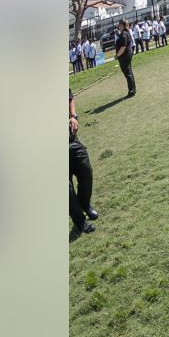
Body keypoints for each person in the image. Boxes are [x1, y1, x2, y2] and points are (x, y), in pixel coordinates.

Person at [69, 89, 98, 234]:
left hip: (71, 141)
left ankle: (85, 205)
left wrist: (73, 116)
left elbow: (69, 97)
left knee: (86, 172)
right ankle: (80, 221)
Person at [114, 21, 136, 97]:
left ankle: (131, 91)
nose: (118, 27)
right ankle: (133, 89)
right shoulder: (125, 33)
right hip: (127, 55)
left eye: (119, 25)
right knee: (129, 73)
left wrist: (117, 55)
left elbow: (123, 47)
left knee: (128, 74)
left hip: (125, 56)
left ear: (122, 25)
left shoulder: (124, 34)